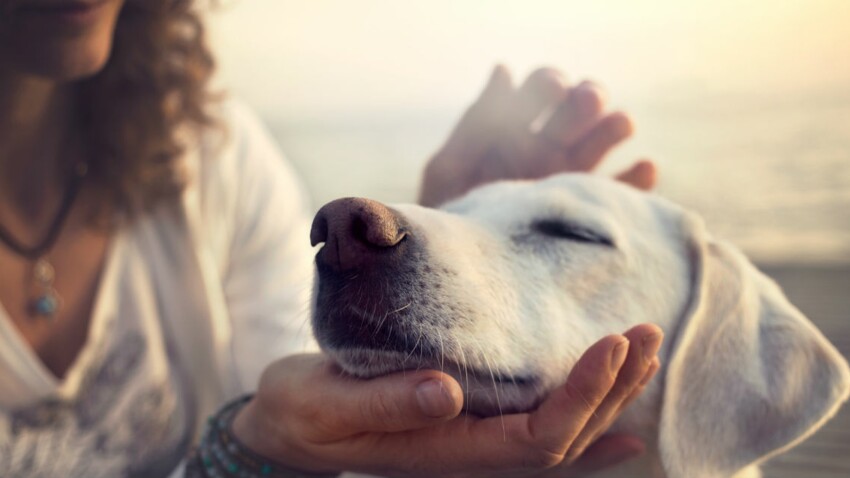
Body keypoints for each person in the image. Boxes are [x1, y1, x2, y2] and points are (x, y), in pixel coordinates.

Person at [0, 1, 663, 477]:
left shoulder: (208, 155)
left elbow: (320, 414)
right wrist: (245, 448)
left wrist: (454, 250)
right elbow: (286, 426)